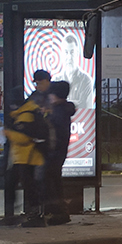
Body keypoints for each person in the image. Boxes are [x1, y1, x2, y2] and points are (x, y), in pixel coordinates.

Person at [0, 70, 50, 227]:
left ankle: (34, 217)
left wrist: (9, 133)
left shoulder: (29, 110)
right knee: (24, 184)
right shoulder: (26, 108)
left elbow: (25, 135)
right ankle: (29, 215)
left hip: (28, 155)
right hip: (23, 155)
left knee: (30, 185)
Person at [43, 80, 76, 224]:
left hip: (53, 152)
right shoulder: (63, 110)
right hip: (58, 152)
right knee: (54, 181)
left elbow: (52, 133)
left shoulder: (57, 112)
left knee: (52, 183)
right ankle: (58, 212)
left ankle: (59, 213)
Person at [60, 33, 95, 110]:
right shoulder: (56, 79)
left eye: (72, 52)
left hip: (82, 122)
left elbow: (87, 109)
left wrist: (61, 103)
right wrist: (76, 103)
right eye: (66, 52)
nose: (69, 57)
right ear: (62, 54)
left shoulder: (86, 80)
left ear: (77, 54)